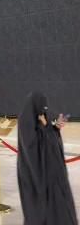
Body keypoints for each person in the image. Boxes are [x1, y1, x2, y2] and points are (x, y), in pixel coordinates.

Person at [17, 91, 78, 225]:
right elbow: (33, 146)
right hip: (37, 174)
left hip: (53, 175)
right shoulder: (25, 123)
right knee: (39, 208)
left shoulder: (42, 117)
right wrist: (49, 129)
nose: (44, 110)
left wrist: (54, 127)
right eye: (42, 107)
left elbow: (48, 135)